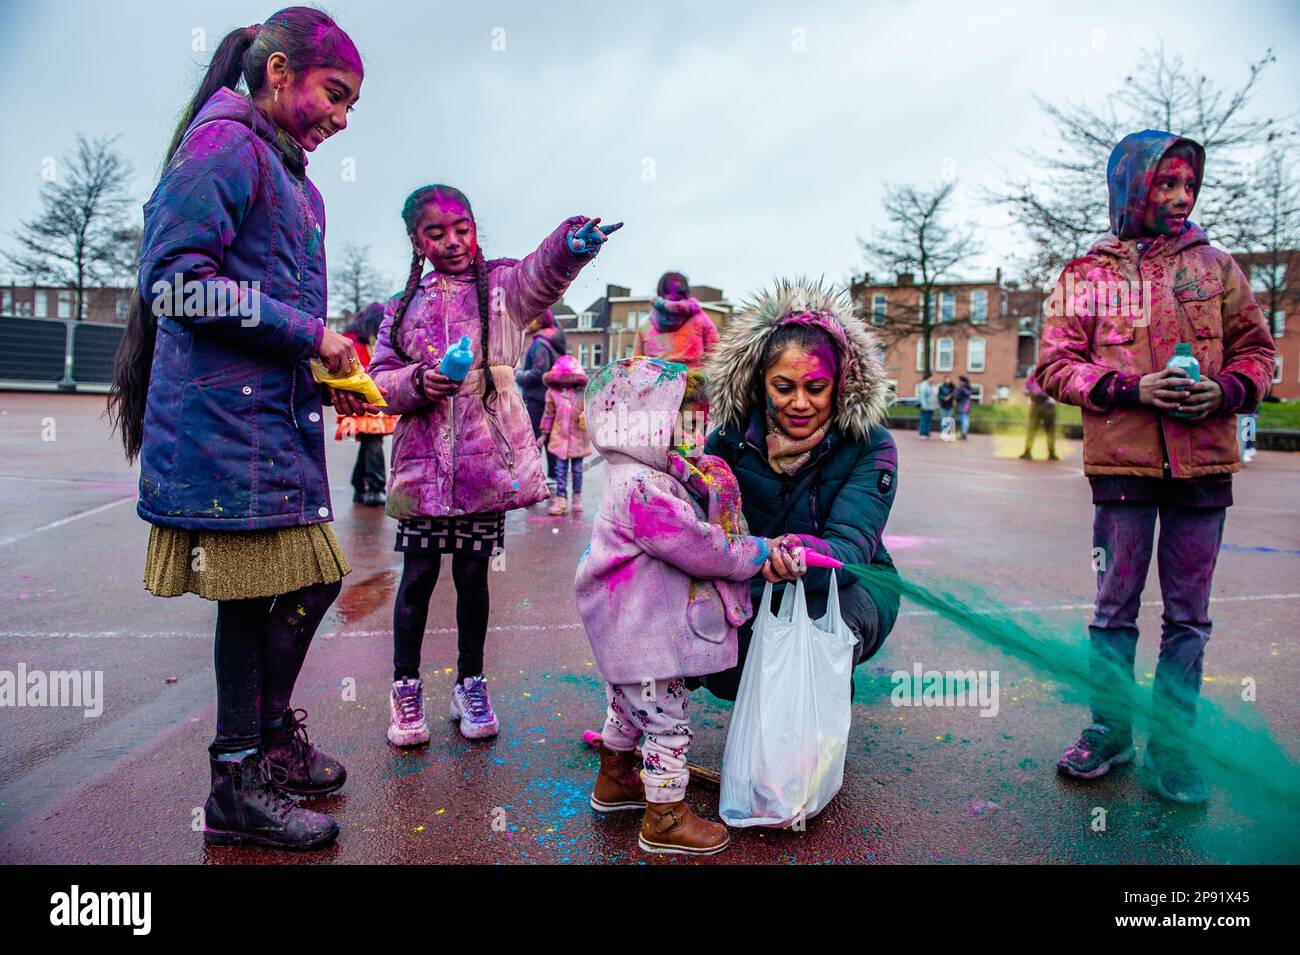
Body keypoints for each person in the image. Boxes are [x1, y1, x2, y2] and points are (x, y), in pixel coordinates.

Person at [107, 7, 367, 850]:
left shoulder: (293, 176)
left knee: (299, 584)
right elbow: (176, 283)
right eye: (335, 93)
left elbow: (266, 300)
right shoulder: (226, 145)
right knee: (264, 595)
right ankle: (237, 779)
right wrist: (308, 337)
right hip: (224, 429)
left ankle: (263, 749)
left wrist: (326, 369)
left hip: (264, 423)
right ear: (280, 71)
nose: (342, 116)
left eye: (352, 104)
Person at [1037, 130, 1275, 804]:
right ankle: (1108, 730)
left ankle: (1173, 747)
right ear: (1131, 186)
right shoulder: (1086, 274)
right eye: (1164, 184)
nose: (1178, 197)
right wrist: (1130, 388)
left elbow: (1258, 353)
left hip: (1205, 472)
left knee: (1189, 616)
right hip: (1122, 472)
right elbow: (1053, 364)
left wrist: (1227, 389)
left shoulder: (1217, 268)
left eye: (1187, 186)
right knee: (1113, 610)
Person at [367, 183, 621, 746]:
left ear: (475, 229)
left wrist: (573, 245)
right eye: (436, 233)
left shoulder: (505, 287)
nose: (452, 242)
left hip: (487, 462)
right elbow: (379, 378)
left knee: (473, 577)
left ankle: (470, 683)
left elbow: (543, 272)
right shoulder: (402, 307)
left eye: (461, 229)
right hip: (423, 466)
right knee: (417, 578)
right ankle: (405, 690)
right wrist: (418, 382)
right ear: (417, 240)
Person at [575, 357, 785, 855]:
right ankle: (664, 817)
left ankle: (614, 780)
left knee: (628, 708)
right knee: (667, 720)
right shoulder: (646, 488)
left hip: (626, 625)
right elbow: (701, 547)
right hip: (644, 630)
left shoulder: (634, 471)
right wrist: (755, 552)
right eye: (677, 423)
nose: (689, 435)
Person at [699, 279, 901, 702]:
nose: (800, 403)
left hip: (852, 586)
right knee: (722, 665)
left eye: (816, 388)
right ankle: (646, 729)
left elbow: (849, 547)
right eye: (784, 388)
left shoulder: (871, 445)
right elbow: (709, 535)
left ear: (840, 383)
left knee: (818, 632)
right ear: (760, 384)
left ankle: (815, 749)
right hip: (756, 581)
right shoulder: (727, 441)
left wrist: (795, 551)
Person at [335, 301, 397, 506]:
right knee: (373, 442)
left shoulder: (362, 338)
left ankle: (360, 486)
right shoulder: (355, 341)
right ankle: (376, 489)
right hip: (361, 398)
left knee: (370, 443)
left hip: (369, 398)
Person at [516, 308, 568, 484]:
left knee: (534, 439)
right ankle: (553, 475)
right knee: (550, 437)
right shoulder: (553, 340)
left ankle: (535, 477)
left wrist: (519, 375)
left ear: (539, 321)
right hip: (550, 397)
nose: (528, 322)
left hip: (537, 399)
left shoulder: (540, 344)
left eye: (532, 319)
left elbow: (539, 371)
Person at [631, 271, 719, 369]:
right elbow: (716, 356)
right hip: (693, 382)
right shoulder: (700, 318)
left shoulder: (645, 324)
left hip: (656, 382)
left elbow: (636, 364)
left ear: (660, 292)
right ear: (686, 292)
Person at [539, 354, 591, 514]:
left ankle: (577, 498)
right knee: (560, 471)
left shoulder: (583, 393)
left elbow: (592, 410)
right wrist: (544, 434)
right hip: (559, 437)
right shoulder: (552, 392)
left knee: (577, 470)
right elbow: (549, 414)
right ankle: (561, 500)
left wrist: (586, 415)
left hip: (578, 438)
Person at [1021, 371, 1059, 460]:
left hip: (1048, 404)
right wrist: (1031, 394)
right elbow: (1026, 389)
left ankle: (1051, 453)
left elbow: (1057, 388)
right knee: (1032, 429)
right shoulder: (1033, 375)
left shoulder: (1052, 373)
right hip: (1036, 404)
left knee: (1050, 430)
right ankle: (1027, 452)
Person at [916, 371, 937, 438]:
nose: (934, 379)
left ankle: (927, 432)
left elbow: (934, 395)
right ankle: (922, 433)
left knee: (929, 420)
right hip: (926, 406)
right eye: (933, 377)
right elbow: (922, 396)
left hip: (931, 406)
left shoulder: (932, 385)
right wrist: (924, 405)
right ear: (929, 377)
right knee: (924, 420)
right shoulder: (924, 385)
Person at [955, 375, 974, 439]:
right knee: (965, 418)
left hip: (961, 405)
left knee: (963, 419)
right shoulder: (969, 388)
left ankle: (963, 433)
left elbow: (957, 397)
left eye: (960, 381)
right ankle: (964, 432)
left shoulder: (961, 388)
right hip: (967, 404)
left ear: (961, 381)